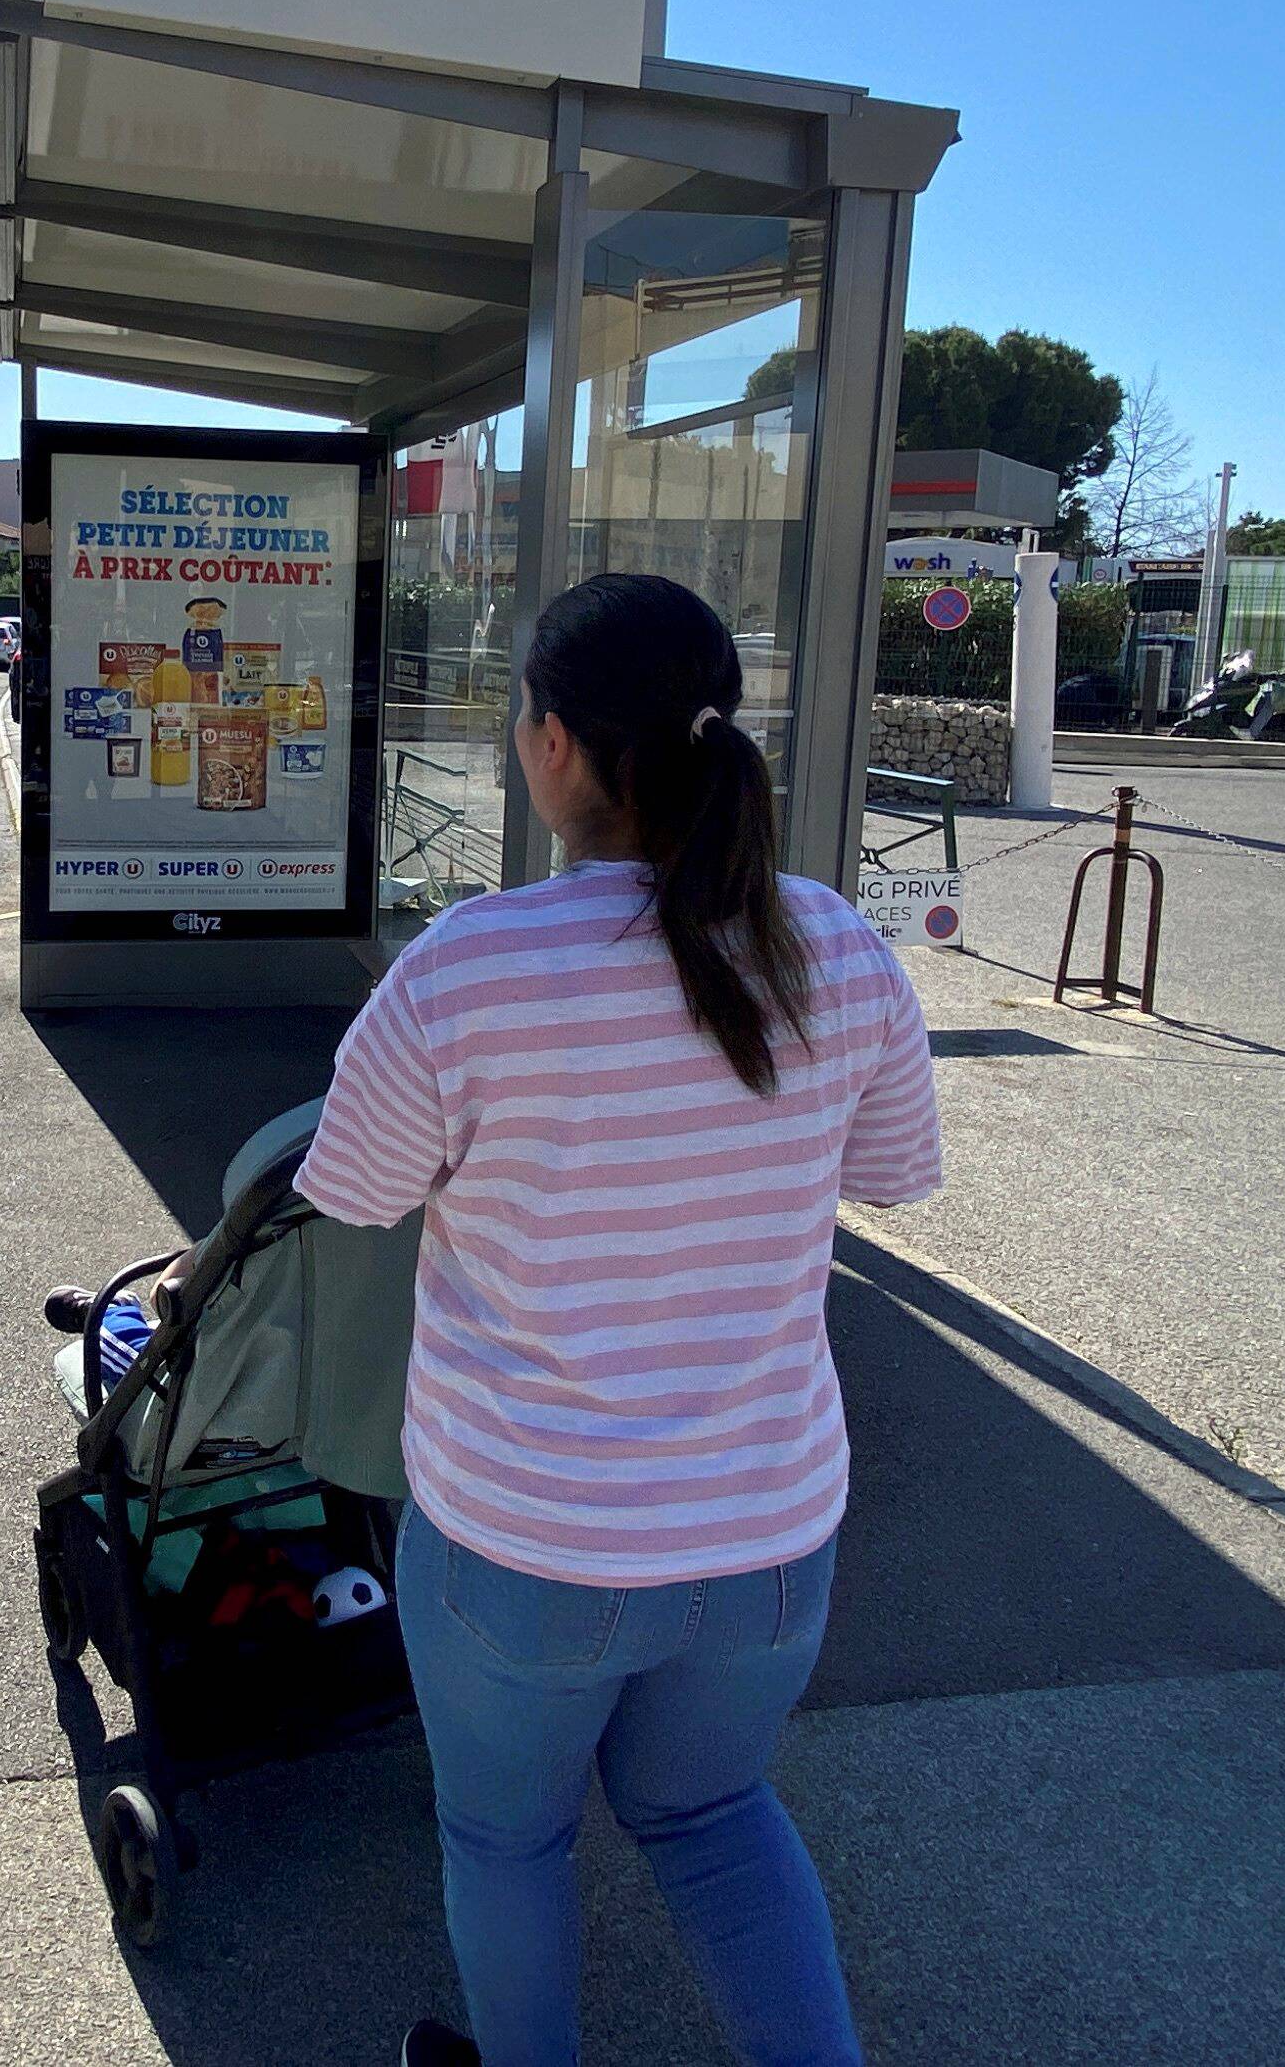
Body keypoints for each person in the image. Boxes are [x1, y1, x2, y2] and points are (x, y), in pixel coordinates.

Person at [291, 573, 942, 2067]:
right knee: (713, 1815)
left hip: (525, 1541)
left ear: (556, 744)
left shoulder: (468, 967)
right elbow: (897, 1176)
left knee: (509, 1842)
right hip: (769, 1537)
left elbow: (353, 1195)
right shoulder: (839, 949)